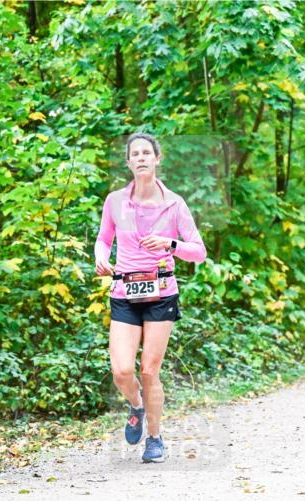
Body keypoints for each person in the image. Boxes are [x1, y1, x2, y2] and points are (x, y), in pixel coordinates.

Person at [94, 132, 206, 463]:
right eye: (135, 154)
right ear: (128, 162)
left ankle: (155, 439)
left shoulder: (174, 204)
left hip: (161, 293)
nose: (141, 157)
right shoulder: (115, 201)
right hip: (125, 291)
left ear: (158, 159)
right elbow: (103, 239)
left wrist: (170, 245)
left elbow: (198, 251)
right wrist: (100, 257)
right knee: (121, 371)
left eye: (147, 152)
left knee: (149, 370)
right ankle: (136, 407)